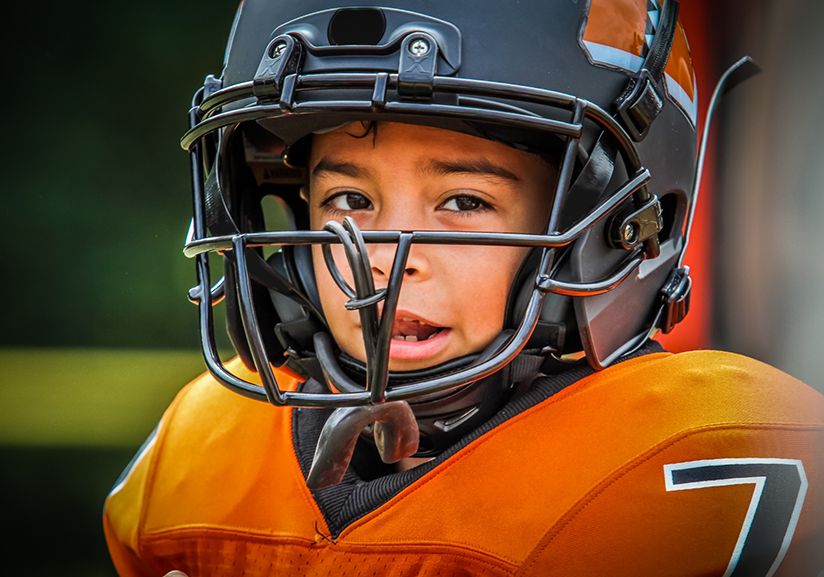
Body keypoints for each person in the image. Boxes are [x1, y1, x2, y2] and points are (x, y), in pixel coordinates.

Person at [104, 1, 824, 575]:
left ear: (609, 226)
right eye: (349, 202)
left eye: (464, 202)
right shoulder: (201, 452)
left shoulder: (700, 461)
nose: (384, 256)